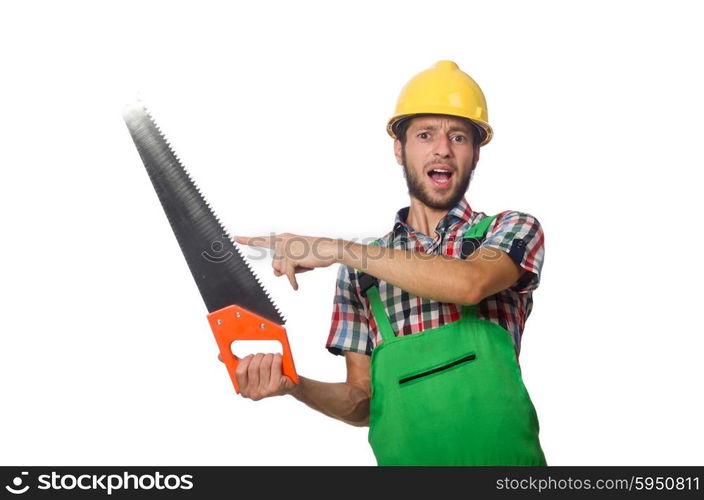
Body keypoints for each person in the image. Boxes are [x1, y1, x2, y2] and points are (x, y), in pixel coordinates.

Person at [233, 61, 547, 466]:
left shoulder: (511, 229)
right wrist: (294, 385)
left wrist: (338, 248)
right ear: (399, 148)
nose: (442, 149)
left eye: (458, 136)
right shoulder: (362, 276)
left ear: (475, 153)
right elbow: (363, 402)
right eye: (424, 135)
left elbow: (471, 283)